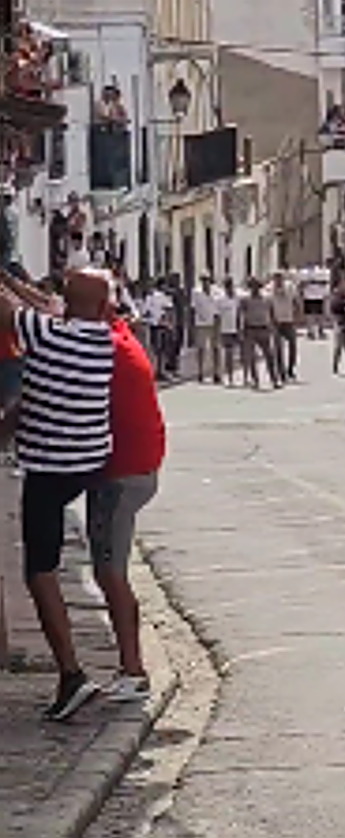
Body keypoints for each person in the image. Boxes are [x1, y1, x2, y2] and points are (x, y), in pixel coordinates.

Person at [0, 267, 114, 720]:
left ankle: (71, 674)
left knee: (39, 570)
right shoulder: (101, 338)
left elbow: (12, 312)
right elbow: (39, 308)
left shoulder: (47, 335)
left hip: (50, 468)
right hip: (89, 463)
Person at [85, 293, 166, 702]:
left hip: (121, 474)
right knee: (109, 568)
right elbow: (47, 307)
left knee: (109, 571)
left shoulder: (103, 348)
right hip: (136, 468)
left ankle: (133, 670)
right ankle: (129, 667)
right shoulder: (119, 333)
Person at [239, 277, 281, 389]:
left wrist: (274, 327)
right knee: (252, 357)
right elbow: (241, 314)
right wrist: (241, 329)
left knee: (269, 356)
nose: (254, 289)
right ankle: (254, 380)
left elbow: (272, 313)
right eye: (252, 286)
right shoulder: (245, 299)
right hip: (250, 328)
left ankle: (274, 379)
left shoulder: (266, 298)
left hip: (263, 328)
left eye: (256, 286)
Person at [269, 272, 300, 381]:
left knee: (293, 345)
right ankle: (281, 372)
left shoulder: (290, 287)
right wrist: (271, 320)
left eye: (280, 279)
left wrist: (297, 316)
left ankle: (290, 368)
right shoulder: (269, 289)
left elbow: (296, 302)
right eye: (276, 279)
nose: (278, 281)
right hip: (276, 322)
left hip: (289, 320)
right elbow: (268, 306)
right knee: (278, 348)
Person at [191, 275, 220, 384]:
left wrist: (218, 321)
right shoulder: (196, 292)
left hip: (214, 322)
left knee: (216, 348)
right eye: (203, 280)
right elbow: (193, 308)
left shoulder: (216, 291)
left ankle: (216, 372)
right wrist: (192, 325)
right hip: (200, 323)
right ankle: (200, 372)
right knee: (201, 349)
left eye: (207, 280)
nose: (205, 282)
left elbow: (218, 307)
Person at [215, 278, 241, 386]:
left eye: (231, 285)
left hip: (236, 329)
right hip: (225, 330)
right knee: (227, 354)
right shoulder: (220, 299)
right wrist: (217, 330)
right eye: (228, 286)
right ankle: (228, 376)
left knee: (236, 354)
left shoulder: (236, 298)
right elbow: (217, 316)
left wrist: (240, 328)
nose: (230, 288)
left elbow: (239, 314)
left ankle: (237, 375)